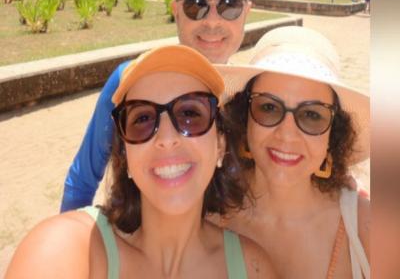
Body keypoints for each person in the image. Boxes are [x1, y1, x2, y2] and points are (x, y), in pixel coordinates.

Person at [6, 45, 277, 278]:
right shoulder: (67, 248)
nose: (167, 139)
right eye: (143, 119)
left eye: (190, 115)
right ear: (125, 155)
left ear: (220, 145)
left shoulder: (253, 268)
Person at [60, 0, 252, 211]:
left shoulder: (256, 97)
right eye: (195, 5)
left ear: (247, 11)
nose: (211, 21)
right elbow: (82, 181)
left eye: (229, 5)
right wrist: (71, 233)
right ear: (176, 10)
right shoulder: (130, 81)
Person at [215, 26, 370, 278]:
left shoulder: (367, 227)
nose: (286, 135)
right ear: (244, 118)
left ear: (334, 133)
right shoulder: (205, 214)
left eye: (311, 115)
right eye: (268, 108)